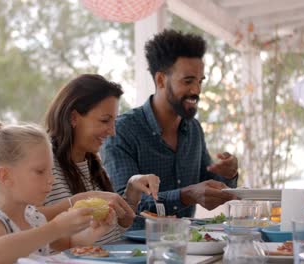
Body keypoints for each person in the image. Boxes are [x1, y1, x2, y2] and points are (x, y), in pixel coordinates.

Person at [101, 29, 238, 230]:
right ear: (160, 80)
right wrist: (186, 195)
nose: (197, 91)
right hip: (134, 251)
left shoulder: (193, 130)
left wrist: (228, 175)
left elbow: (207, 187)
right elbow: (124, 206)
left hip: (186, 245)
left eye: (200, 82)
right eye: (188, 81)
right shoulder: (122, 131)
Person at [0, 111, 114, 264]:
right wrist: (56, 228)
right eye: (40, 171)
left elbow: (69, 244)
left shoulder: (33, 217)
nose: (51, 179)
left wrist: (94, 232)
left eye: (51, 171)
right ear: (5, 176)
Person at [43, 74, 160, 244]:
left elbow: (109, 234)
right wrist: (78, 201)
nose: (112, 132)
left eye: (113, 122)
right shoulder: (43, 163)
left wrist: (131, 193)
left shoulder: (92, 164)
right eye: (105, 120)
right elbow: (25, 220)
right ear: (73, 117)